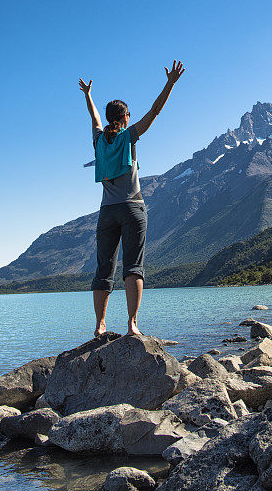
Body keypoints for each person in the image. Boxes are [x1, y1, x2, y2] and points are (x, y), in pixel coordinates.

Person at [79, 60, 185, 337]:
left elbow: (94, 119)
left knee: (104, 269)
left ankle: (101, 325)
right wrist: (171, 82)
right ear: (125, 117)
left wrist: (88, 95)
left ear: (109, 117)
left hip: (106, 211)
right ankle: (132, 324)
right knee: (133, 267)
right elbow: (156, 110)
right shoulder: (130, 136)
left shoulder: (99, 140)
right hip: (133, 209)